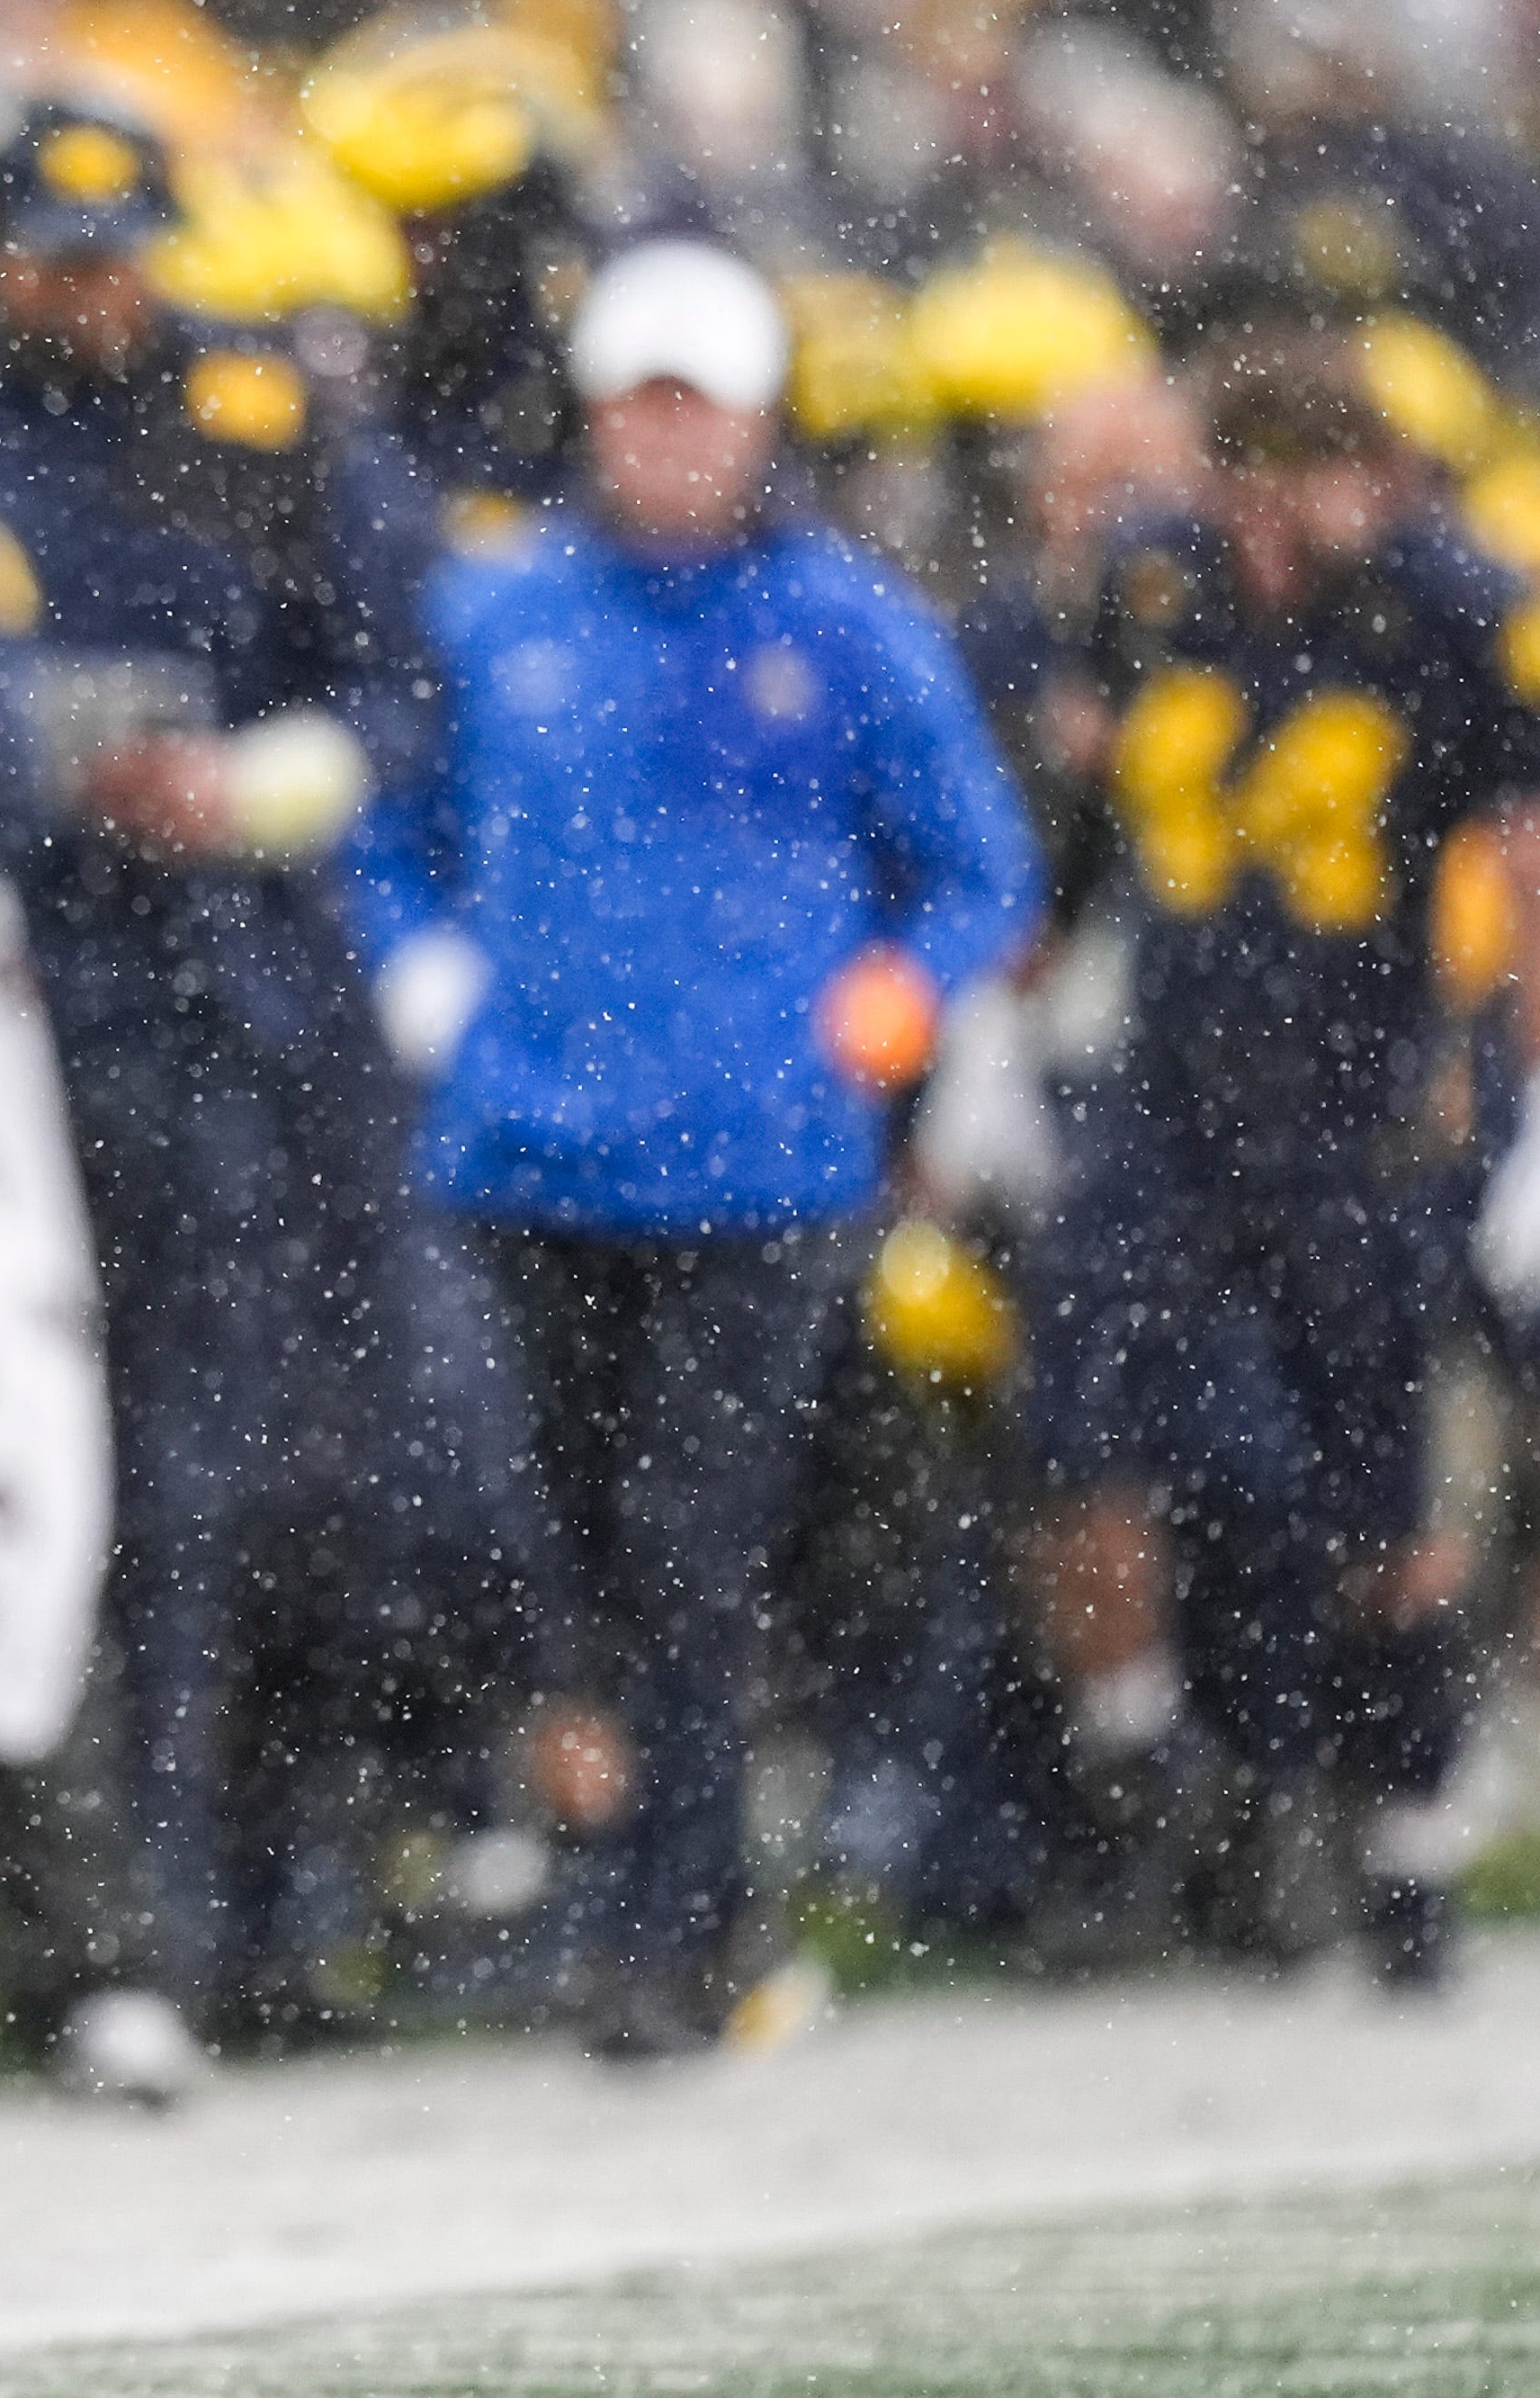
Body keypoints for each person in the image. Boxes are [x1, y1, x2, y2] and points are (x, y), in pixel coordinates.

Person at [0, 103, 578, 2048]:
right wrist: (50, 764)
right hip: (12, 1009)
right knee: (71, 1485)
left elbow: (401, 695)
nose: (84, 292)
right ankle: (108, 1936)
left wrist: (250, 784)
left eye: (113, 254)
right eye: (47, 253)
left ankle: (276, 1920)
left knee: (310, 1485)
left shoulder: (267, 424)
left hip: (264, 1009)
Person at [350, 237, 1043, 2059]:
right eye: (634, 410)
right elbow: (385, 817)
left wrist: (898, 994)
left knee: (688, 1549)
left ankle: (665, 1929)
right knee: (560, 1559)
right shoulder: (493, 610)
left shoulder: (845, 624)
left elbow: (976, 867)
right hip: (526, 1155)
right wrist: (417, 966)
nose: (662, 445)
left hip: (759, 1166)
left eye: (694, 412)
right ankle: (662, 1901)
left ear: (750, 426)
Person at [1019, 312, 1540, 1989]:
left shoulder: (1458, 611)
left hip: (1361, 1104)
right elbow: (1079, 812)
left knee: (1380, 1503)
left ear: (1376, 476)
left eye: (1309, 498)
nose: (1273, 539)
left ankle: (1404, 1835)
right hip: (1165, 1080)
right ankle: (1149, 1757)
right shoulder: (1154, 580)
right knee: (1072, 1420)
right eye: (1247, 497)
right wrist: (1012, 1012)